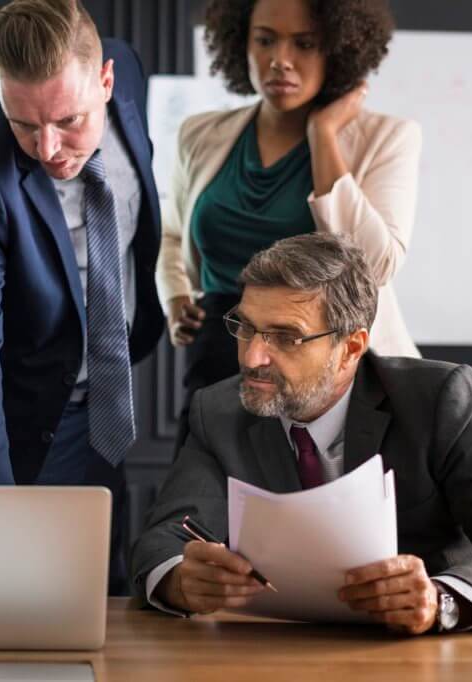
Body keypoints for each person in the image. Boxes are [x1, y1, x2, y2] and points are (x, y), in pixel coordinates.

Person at [131, 233, 472, 634]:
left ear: (351, 347)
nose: (252, 357)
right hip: (269, 651)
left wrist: (441, 600)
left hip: (418, 653)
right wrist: (179, 580)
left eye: (286, 337)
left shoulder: (438, 401)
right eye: (245, 327)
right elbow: (164, 540)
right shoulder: (219, 410)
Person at [0, 0, 164, 595]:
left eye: (69, 121)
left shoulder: (126, 68)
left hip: (109, 396)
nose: (48, 147)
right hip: (23, 424)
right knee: (17, 600)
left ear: (106, 80)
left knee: (100, 593)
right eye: (24, 124)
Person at [159, 0, 421, 458]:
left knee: (319, 517)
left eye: (305, 44)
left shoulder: (388, 138)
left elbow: (374, 267)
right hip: (222, 355)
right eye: (265, 40)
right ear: (240, 42)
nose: (280, 59)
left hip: (325, 367)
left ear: (338, 51)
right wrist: (176, 294)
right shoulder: (200, 134)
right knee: (198, 514)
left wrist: (323, 136)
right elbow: (173, 232)